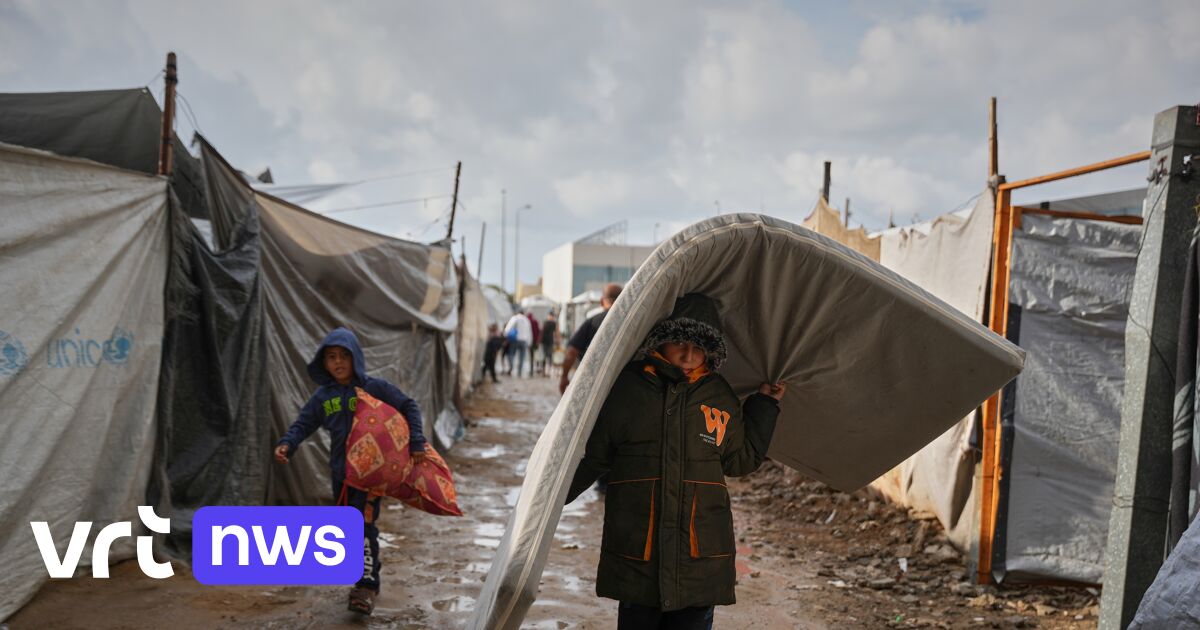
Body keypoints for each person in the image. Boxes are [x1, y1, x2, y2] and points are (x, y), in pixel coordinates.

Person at [565, 294, 786, 629]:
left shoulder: (718, 395)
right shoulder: (627, 388)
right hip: (639, 552)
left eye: (699, 347)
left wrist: (764, 407)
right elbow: (594, 456)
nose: (688, 354)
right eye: (679, 342)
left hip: (700, 557)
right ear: (660, 340)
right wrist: (551, 501)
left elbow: (740, 460)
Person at [272, 327, 428, 616]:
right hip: (340, 474)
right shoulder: (323, 397)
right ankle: (367, 571)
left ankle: (367, 585)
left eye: (344, 355)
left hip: (369, 476)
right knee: (348, 526)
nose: (338, 362)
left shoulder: (373, 389)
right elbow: (304, 423)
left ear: (355, 356)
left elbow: (409, 406)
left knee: (364, 526)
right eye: (331, 357)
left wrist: (417, 440)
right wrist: (287, 444)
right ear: (324, 362)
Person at [559, 282, 622, 394]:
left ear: (602, 301)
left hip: (591, 384)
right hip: (621, 384)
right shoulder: (630, 325)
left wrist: (564, 377)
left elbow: (571, 353)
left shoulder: (592, 322)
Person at [504, 311, 533, 377]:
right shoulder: (527, 320)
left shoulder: (515, 318)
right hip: (524, 341)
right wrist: (529, 342)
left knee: (511, 354)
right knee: (522, 357)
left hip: (515, 339)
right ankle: (519, 372)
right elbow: (529, 332)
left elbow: (508, 328)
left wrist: (505, 335)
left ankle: (512, 366)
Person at [540, 312, 559, 376]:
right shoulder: (554, 323)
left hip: (545, 341)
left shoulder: (545, 322)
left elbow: (542, 331)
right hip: (549, 341)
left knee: (545, 356)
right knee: (549, 356)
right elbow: (556, 333)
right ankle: (548, 371)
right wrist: (557, 341)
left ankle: (545, 371)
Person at [526, 311, 540, 375]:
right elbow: (538, 331)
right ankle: (537, 367)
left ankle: (531, 370)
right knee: (537, 355)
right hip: (535, 341)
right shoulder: (535, 322)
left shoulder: (527, 322)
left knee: (531, 356)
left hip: (530, 341)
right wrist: (538, 341)